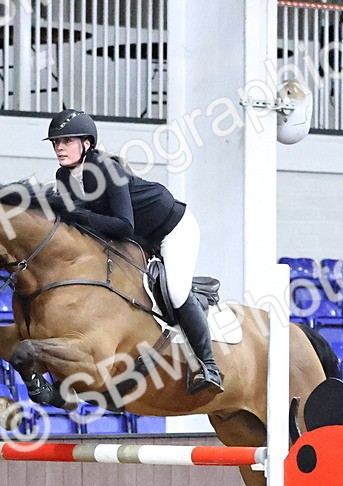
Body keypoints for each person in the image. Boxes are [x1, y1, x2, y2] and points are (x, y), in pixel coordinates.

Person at [44, 108, 223, 394]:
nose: (59, 148)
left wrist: (78, 216)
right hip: (140, 239)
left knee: (176, 291)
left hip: (173, 228)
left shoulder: (106, 169)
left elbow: (123, 224)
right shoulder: (63, 177)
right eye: (56, 143)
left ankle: (209, 366)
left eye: (66, 141)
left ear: (86, 144)